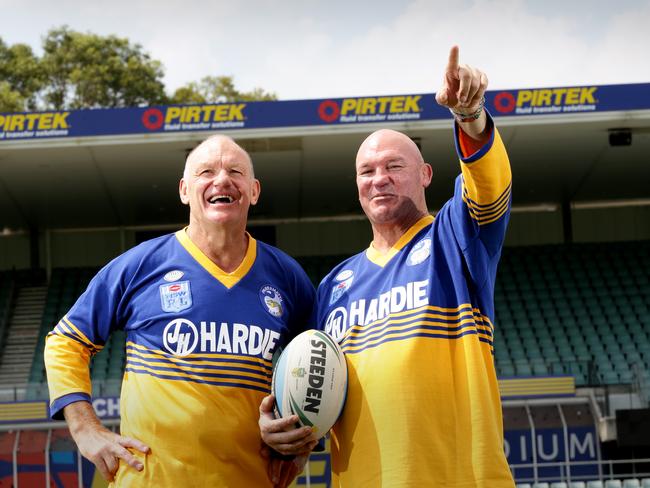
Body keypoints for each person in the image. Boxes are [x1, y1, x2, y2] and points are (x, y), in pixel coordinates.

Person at [260, 46, 515, 487]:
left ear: (426, 175)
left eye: (394, 166)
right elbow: (318, 401)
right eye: (367, 171)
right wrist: (283, 433)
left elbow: (488, 189)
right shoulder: (334, 287)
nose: (379, 178)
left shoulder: (455, 238)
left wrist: (470, 115)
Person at [44, 135, 316, 487]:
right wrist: (85, 428)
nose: (221, 180)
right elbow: (65, 342)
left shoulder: (285, 276)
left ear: (254, 190)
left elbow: (319, 367)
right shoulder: (141, 265)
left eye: (235, 171)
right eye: (207, 172)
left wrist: (302, 440)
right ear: (185, 190)